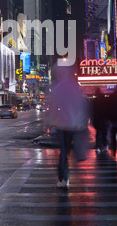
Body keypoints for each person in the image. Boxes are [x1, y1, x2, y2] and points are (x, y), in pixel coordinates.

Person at [47, 62, 89, 190]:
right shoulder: (75, 86)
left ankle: (64, 178)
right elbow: (83, 104)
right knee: (72, 150)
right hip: (75, 125)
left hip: (62, 125)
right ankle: (67, 175)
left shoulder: (57, 88)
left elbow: (52, 107)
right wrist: (83, 122)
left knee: (63, 152)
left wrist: (49, 122)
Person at [92, 87, 110, 154]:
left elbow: (93, 111)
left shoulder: (95, 101)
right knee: (104, 133)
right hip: (104, 118)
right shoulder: (105, 99)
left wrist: (93, 120)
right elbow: (108, 110)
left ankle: (98, 147)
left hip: (98, 119)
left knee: (98, 133)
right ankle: (105, 146)